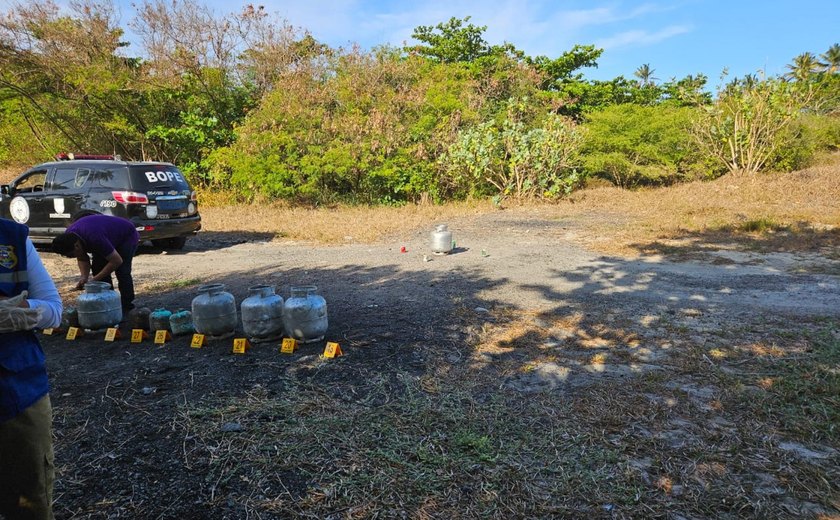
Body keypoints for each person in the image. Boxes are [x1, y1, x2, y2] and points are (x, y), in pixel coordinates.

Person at [0, 217, 63, 520]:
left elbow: (54, 310)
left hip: (19, 391)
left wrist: (17, 313)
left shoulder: (12, 237)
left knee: (30, 501)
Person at [51, 214, 140, 313]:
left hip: (126, 235)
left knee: (122, 272)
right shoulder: (69, 237)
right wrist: (84, 278)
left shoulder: (94, 237)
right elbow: (82, 259)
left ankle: (127, 307)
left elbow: (116, 261)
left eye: (72, 254)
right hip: (104, 235)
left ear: (77, 246)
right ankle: (108, 302)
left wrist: (94, 280)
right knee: (97, 268)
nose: (73, 257)